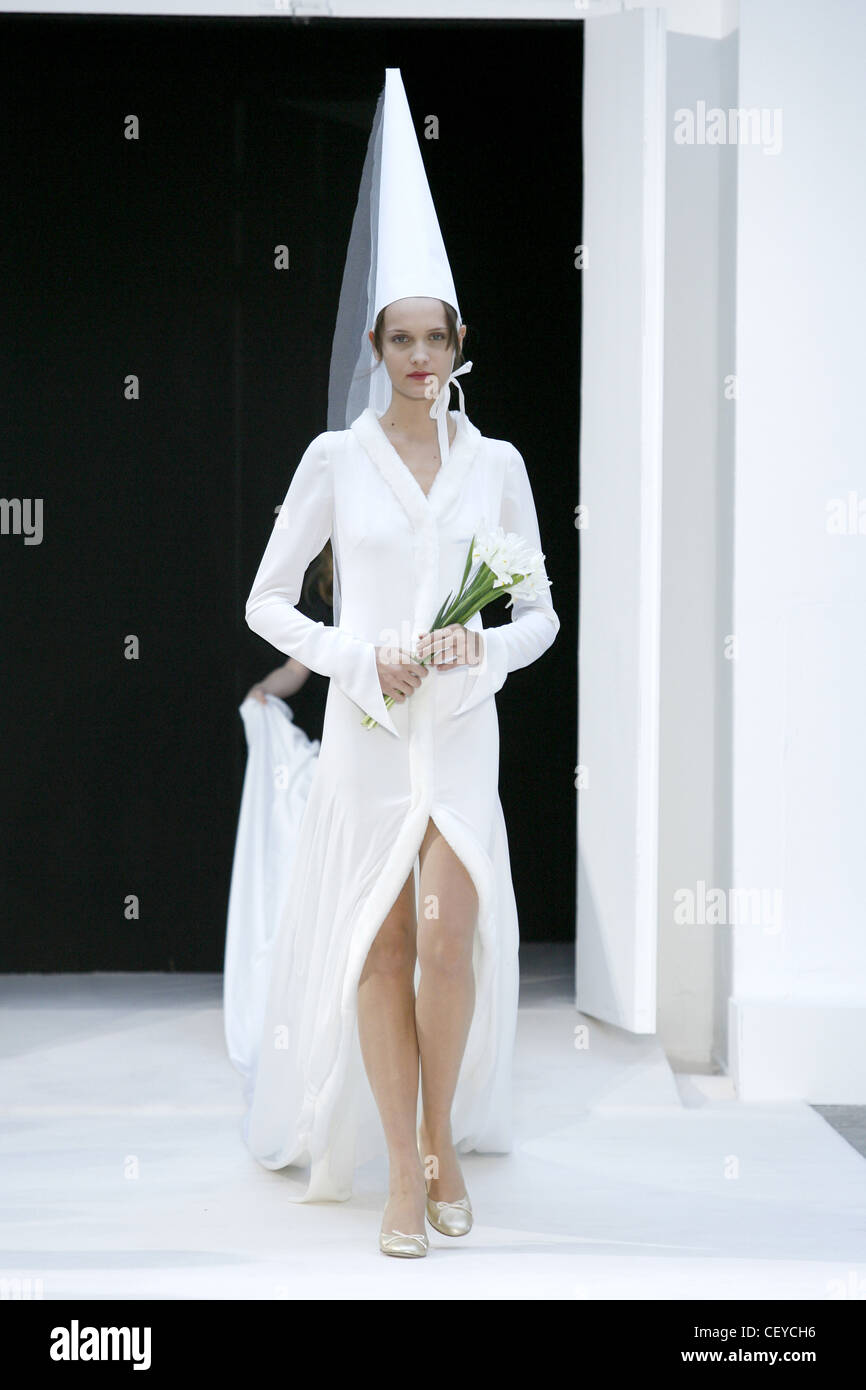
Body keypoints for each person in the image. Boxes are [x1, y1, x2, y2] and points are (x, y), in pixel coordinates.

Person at [239, 71, 560, 1260]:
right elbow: (265, 602)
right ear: (374, 344)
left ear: (457, 342)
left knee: (444, 935)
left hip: (459, 733)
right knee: (378, 940)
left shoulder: (500, 466)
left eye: (437, 337)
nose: (420, 356)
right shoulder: (335, 457)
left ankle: (435, 1147)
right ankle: (394, 1173)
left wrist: (478, 643)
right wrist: (360, 654)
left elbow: (538, 617)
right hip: (374, 737)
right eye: (401, 338)